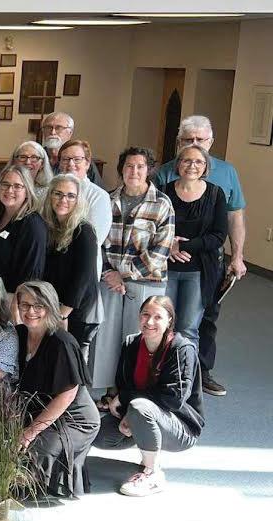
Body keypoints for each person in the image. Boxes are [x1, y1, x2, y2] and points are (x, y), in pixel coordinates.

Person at [152, 115, 247, 396]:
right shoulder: (164, 174)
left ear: (211, 142)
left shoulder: (226, 174)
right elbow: (153, 216)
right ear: (178, 143)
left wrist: (237, 256)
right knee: (163, 318)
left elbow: (234, 217)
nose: (194, 145)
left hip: (206, 263)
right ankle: (160, 375)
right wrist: (169, 244)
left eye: (200, 139)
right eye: (188, 140)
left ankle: (197, 374)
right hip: (168, 263)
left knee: (203, 319)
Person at [94, 296, 203, 497]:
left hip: (179, 425)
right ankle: (146, 438)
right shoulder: (132, 343)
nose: (149, 322)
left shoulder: (182, 348)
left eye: (157, 317)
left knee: (139, 407)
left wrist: (128, 400)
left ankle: (152, 472)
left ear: (169, 320)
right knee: (97, 435)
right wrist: (127, 412)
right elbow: (123, 384)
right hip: (139, 413)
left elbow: (174, 399)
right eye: (145, 315)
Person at [93, 147, 175, 390]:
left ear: (149, 170)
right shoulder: (108, 200)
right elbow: (97, 241)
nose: (134, 171)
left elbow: (161, 249)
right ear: (122, 169)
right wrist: (109, 273)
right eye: (129, 166)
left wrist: (124, 274)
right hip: (109, 280)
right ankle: (106, 389)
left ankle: (130, 391)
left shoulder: (162, 203)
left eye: (140, 166)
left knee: (139, 336)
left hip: (146, 280)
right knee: (106, 337)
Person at [13, 281, 100, 498]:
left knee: (35, 451)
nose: (30, 311)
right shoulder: (19, 334)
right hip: (38, 411)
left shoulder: (62, 342)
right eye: (25, 305)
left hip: (73, 418)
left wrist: (30, 433)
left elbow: (67, 395)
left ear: (50, 307)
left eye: (38, 306)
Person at [160, 145, 228, 373]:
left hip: (199, 272)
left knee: (188, 328)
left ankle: (184, 380)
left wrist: (183, 245)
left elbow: (218, 236)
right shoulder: (164, 191)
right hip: (166, 269)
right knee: (163, 326)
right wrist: (169, 246)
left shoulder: (216, 194)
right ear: (178, 164)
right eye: (187, 160)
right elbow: (154, 227)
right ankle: (160, 378)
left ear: (206, 166)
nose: (192, 166)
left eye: (198, 161)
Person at [42, 174, 102, 366]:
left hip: (75, 312)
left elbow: (83, 278)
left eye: (70, 195)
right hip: (54, 307)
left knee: (71, 366)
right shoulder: (49, 227)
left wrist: (63, 314)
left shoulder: (84, 230)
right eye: (58, 194)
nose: (63, 200)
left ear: (78, 200)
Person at [0, 165, 47, 292]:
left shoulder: (33, 224)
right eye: (5, 184)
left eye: (17, 186)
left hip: (12, 297)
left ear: (27, 191)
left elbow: (31, 276)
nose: (9, 190)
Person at [41, 111, 100, 184]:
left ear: (70, 133)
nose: (53, 132)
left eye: (59, 128)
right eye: (48, 127)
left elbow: (97, 189)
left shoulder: (81, 161)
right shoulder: (36, 157)